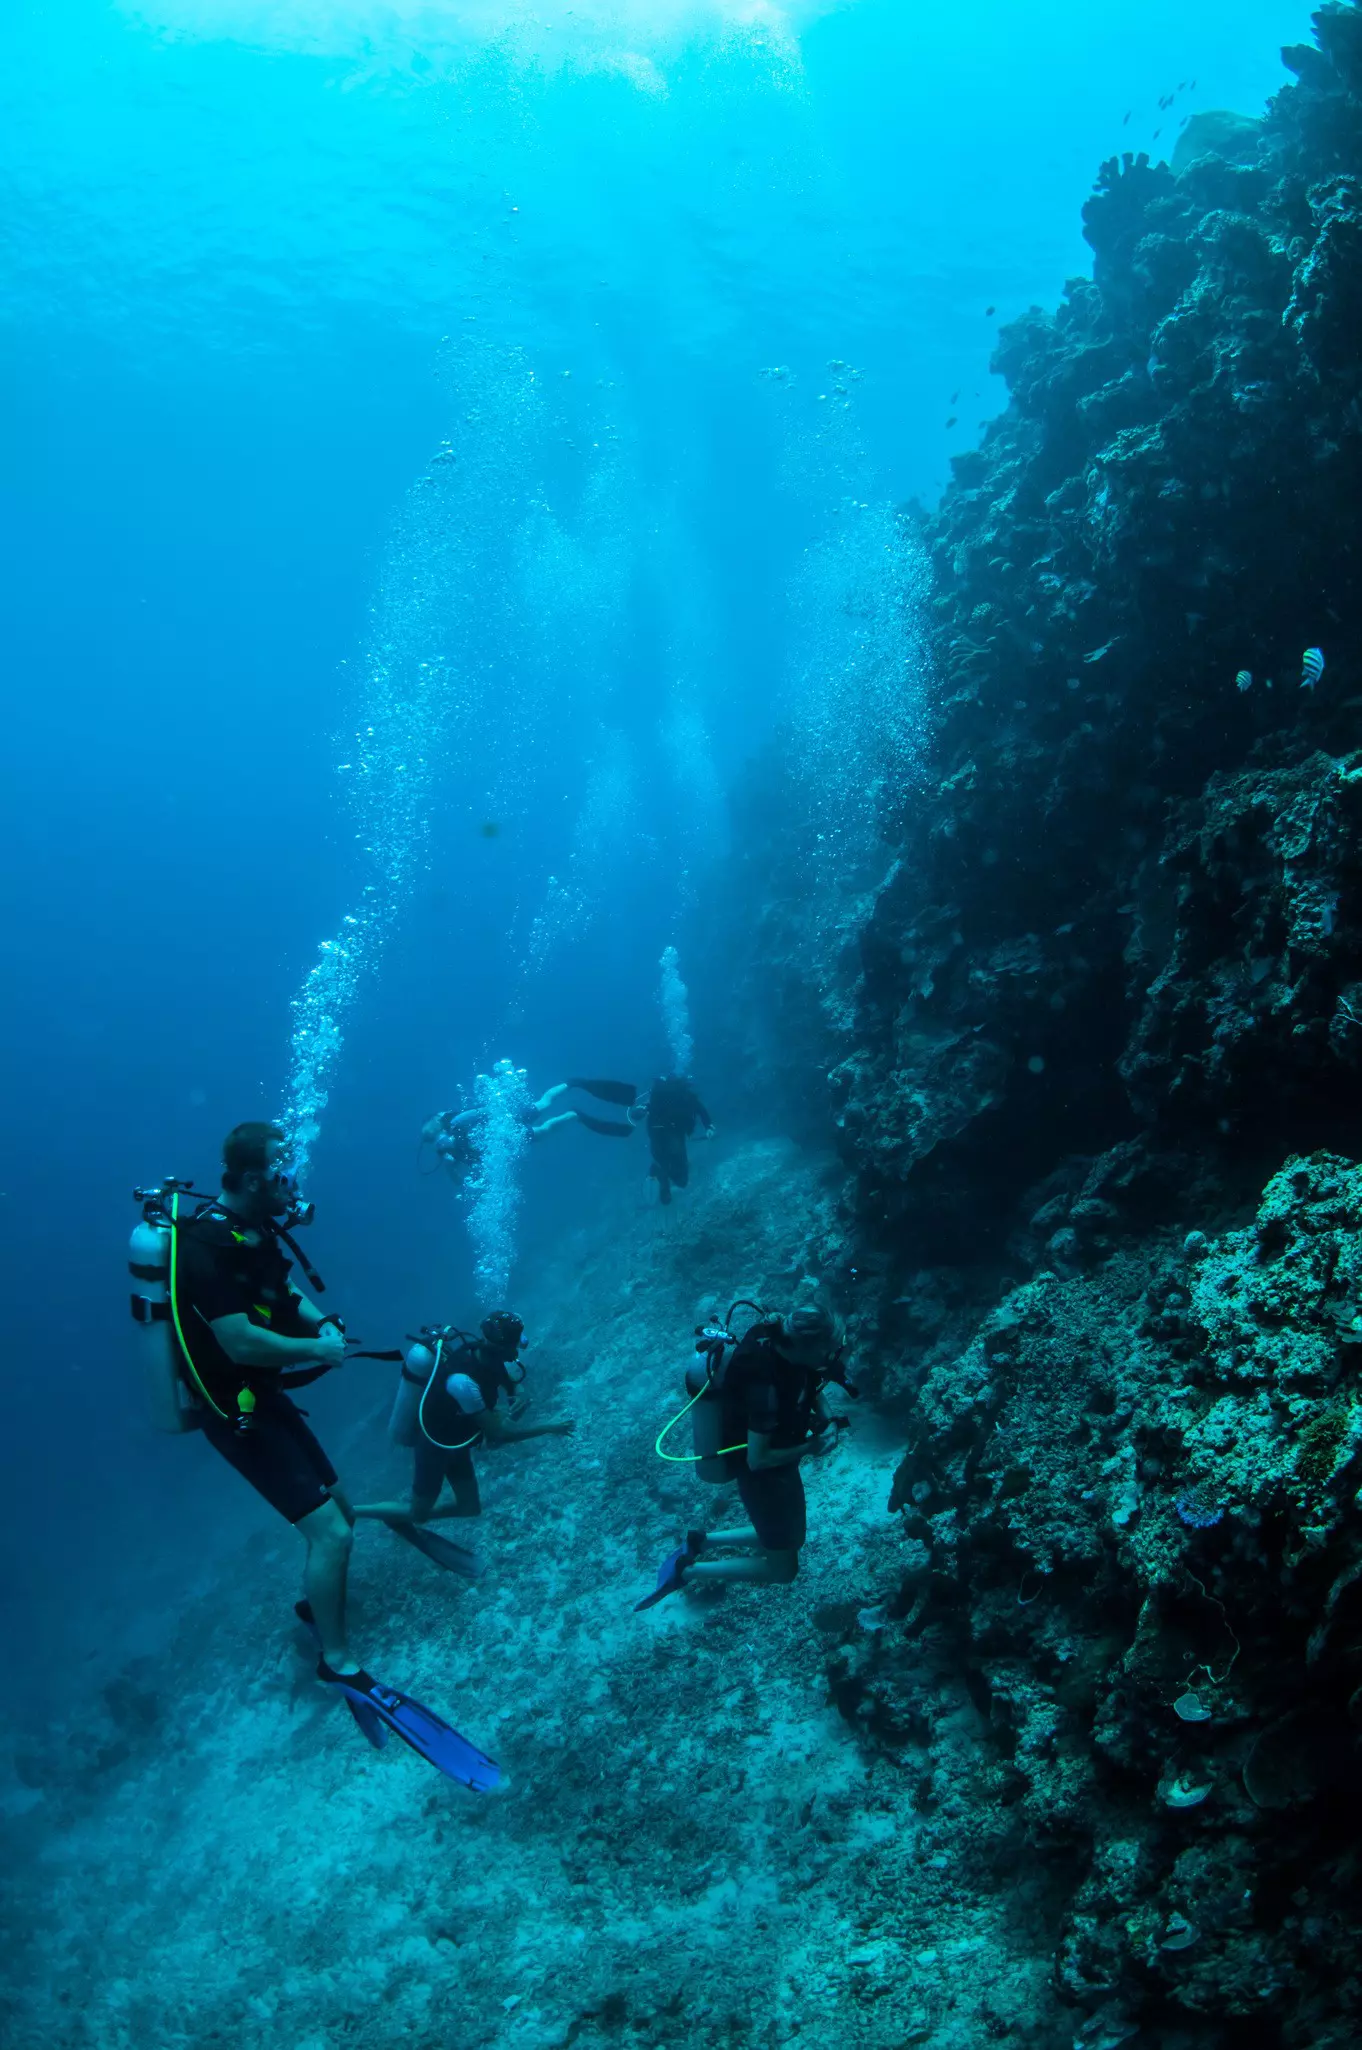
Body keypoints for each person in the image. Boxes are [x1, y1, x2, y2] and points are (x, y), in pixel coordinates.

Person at [168, 1121, 502, 1785]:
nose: (291, 1177)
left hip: (264, 1399)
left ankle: (312, 1610)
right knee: (332, 1535)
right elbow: (238, 1341)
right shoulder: (202, 1248)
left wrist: (320, 1326)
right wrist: (314, 1351)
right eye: (281, 1167)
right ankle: (338, 1662)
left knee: (341, 1507)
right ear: (253, 1178)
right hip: (234, 1413)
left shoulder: (257, 1231)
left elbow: (284, 1294)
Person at [636, 1305, 843, 1608]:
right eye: (828, 1351)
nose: (832, 1358)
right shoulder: (765, 1391)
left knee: (789, 1537)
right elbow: (757, 1460)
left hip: (780, 1470)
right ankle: (687, 1571)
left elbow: (809, 1381)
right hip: (764, 1480)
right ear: (806, 1347)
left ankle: (700, 1542)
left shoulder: (777, 1337)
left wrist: (829, 1419)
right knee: (783, 1568)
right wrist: (811, 1447)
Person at [353, 1310, 575, 1569]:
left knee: (470, 1506)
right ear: (502, 1345)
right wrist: (549, 1428)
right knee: (418, 1514)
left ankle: (399, 1514)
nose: (522, 1344)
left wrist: (519, 1397)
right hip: (436, 1446)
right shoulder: (462, 1382)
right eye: (516, 1341)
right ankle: (354, 1511)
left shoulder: (495, 1360)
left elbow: (514, 1387)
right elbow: (500, 1435)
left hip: (458, 1441)